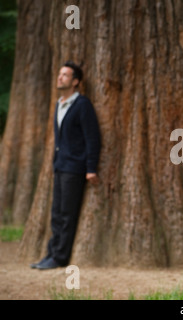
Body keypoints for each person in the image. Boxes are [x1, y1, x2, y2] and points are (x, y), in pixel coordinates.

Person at [31, 61, 101, 270]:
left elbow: (92, 138)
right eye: (60, 74)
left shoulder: (82, 105)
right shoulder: (58, 104)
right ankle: (51, 253)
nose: (60, 77)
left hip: (75, 168)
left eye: (65, 75)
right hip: (60, 167)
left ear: (75, 81)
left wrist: (91, 168)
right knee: (56, 213)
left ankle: (60, 258)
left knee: (67, 214)